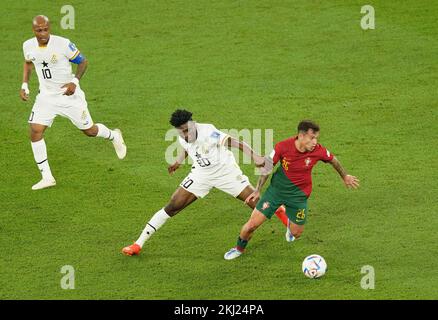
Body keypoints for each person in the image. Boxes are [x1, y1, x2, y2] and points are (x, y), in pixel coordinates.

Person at [122, 109, 288, 256]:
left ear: (193, 124)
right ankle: (138, 244)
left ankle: (284, 215)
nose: (186, 135)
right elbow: (186, 148)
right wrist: (178, 161)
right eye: (182, 132)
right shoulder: (182, 136)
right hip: (201, 174)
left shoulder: (208, 131)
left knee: (259, 206)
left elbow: (234, 141)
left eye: (187, 130)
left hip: (226, 173)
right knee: (173, 205)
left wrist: (255, 157)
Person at [224, 120, 360, 260]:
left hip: (299, 196)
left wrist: (345, 176)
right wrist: (258, 189)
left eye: (316, 138)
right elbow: (267, 167)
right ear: (301, 136)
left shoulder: (318, 150)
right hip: (275, 192)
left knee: (296, 233)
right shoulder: (283, 147)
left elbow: (333, 160)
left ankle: (289, 222)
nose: (315, 142)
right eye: (312, 138)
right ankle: (238, 249)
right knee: (251, 226)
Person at [20, 15, 127, 190]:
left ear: (50, 28)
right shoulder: (28, 45)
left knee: (89, 131)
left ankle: (114, 135)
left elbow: (83, 61)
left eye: (46, 29)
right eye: (39, 30)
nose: (43, 33)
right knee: (35, 130)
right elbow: (28, 63)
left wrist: (74, 82)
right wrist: (25, 84)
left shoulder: (62, 44)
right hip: (46, 97)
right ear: (34, 31)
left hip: (69, 96)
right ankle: (47, 177)